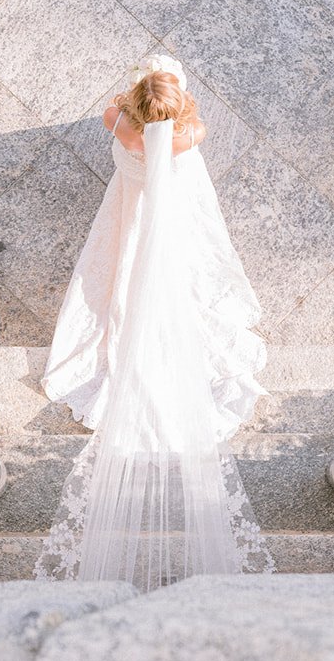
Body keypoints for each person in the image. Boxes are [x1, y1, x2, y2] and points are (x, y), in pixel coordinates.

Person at [32, 53, 276, 590]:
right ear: (178, 108)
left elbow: (114, 107)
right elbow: (191, 125)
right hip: (171, 229)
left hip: (128, 220)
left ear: (138, 105)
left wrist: (134, 105)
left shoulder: (117, 123)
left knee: (114, 291)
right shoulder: (190, 136)